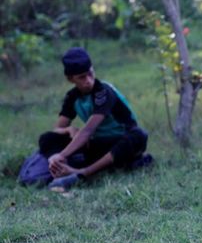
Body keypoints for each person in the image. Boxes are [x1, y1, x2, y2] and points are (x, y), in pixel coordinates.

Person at [40, 47, 151, 191]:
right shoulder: (72, 97)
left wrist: (61, 155)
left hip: (121, 140)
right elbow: (57, 129)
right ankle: (58, 170)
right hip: (99, 144)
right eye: (81, 77)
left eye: (90, 74)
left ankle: (82, 173)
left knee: (138, 135)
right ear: (70, 79)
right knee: (47, 138)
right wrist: (68, 129)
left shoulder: (103, 91)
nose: (88, 81)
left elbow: (88, 131)